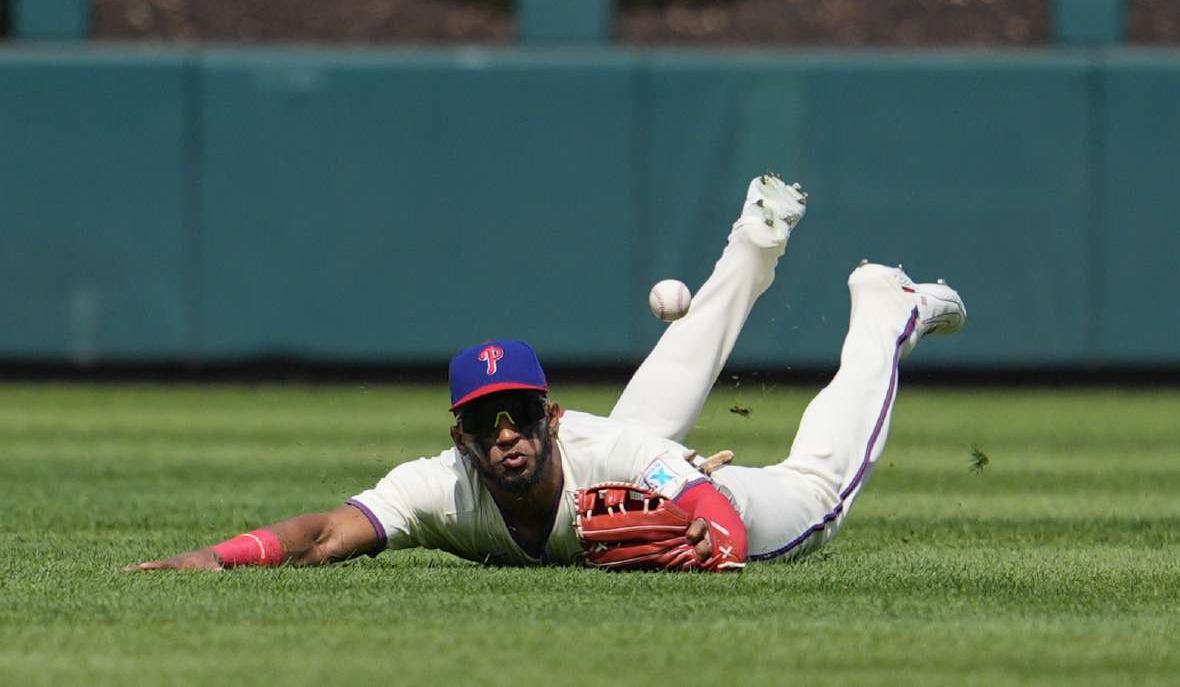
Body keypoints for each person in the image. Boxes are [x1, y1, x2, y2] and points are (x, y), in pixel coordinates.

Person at [127, 174, 966, 573]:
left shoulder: (607, 454)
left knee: (819, 491)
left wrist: (712, 542)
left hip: (702, 492)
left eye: (521, 414)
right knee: (645, 418)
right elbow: (325, 532)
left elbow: (711, 510)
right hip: (617, 456)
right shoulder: (442, 488)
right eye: (487, 421)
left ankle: (886, 305)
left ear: (548, 415)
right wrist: (220, 556)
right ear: (460, 436)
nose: (506, 434)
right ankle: (751, 246)